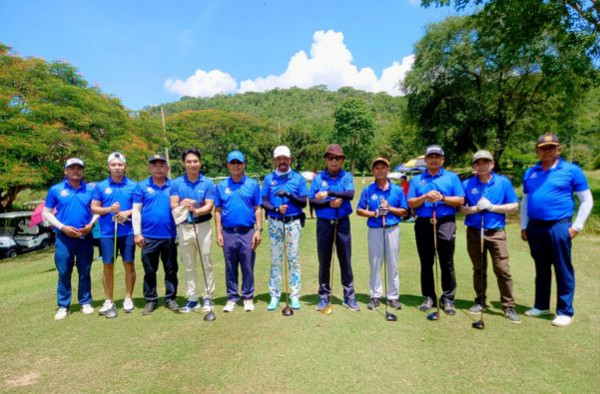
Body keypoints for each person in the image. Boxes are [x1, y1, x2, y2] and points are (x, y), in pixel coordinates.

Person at [521, 133, 594, 327]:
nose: (547, 151)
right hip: (535, 226)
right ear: (537, 151)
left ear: (558, 149)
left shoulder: (571, 170)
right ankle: (541, 305)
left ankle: (564, 311)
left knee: (563, 268)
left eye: (551, 147)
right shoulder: (530, 172)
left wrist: (577, 226)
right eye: (543, 148)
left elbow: (586, 200)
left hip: (559, 225)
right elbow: (526, 201)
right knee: (541, 267)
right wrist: (523, 225)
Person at [460, 150, 520, 323]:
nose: (481, 165)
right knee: (479, 269)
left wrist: (493, 208)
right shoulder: (467, 184)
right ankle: (480, 301)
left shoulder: (503, 183)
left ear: (492, 164)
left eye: (485, 162)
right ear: (474, 166)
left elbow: (514, 205)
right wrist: (475, 209)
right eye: (478, 163)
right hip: (474, 231)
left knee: (502, 269)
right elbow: (461, 208)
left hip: (496, 232)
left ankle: (508, 306)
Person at [407, 145, 464, 315]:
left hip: (445, 221)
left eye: (437, 157)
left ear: (442, 159)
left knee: (446, 261)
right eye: (430, 157)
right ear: (425, 160)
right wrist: (425, 196)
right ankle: (429, 296)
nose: (433, 159)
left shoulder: (451, 177)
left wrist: (443, 197)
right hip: (424, 222)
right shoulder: (417, 180)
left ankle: (448, 298)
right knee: (426, 261)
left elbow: (460, 199)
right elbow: (411, 203)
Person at [43, 158, 98, 320]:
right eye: (72, 168)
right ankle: (63, 305)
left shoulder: (90, 190)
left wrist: (91, 224)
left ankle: (85, 302)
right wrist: (62, 227)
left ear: (83, 171)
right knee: (64, 271)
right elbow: (46, 212)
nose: (76, 171)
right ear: (65, 171)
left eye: (79, 168)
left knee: (85, 270)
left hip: (85, 236)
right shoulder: (56, 190)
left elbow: (96, 210)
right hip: (64, 238)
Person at [309, 144, 359, 311]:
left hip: (342, 222)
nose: (334, 161)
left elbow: (350, 194)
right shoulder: (318, 178)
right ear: (326, 159)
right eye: (331, 158)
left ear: (342, 160)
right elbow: (313, 200)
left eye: (338, 158)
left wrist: (329, 193)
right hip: (324, 223)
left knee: (345, 260)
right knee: (324, 260)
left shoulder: (346, 176)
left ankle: (349, 296)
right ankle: (323, 296)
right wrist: (329, 202)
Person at [261, 145, 308, 311]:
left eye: (285, 158)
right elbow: (264, 201)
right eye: (279, 158)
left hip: (293, 222)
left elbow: (303, 202)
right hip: (275, 222)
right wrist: (275, 209)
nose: (282, 161)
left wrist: (289, 195)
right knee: (276, 259)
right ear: (274, 161)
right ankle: (274, 295)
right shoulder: (269, 179)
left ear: (290, 160)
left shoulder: (298, 178)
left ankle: (294, 295)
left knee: (293, 258)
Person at [356, 157, 408, 310]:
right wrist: (375, 213)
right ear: (373, 171)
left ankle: (392, 296)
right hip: (375, 229)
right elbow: (359, 210)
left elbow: (404, 211)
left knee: (392, 263)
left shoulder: (397, 190)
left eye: (383, 167)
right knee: (375, 263)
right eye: (376, 168)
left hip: (392, 229)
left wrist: (389, 208)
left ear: (388, 170)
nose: (380, 170)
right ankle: (375, 295)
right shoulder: (368, 190)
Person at [214, 150, 262, 313]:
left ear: (243, 165)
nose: (236, 166)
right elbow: (218, 211)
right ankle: (232, 297)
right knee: (230, 266)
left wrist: (258, 230)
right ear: (228, 165)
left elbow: (257, 208)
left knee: (248, 265)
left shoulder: (252, 184)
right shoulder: (221, 186)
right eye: (232, 163)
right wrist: (219, 233)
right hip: (228, 232)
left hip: (247, 231)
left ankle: (248, 297)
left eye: (239, 163)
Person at [170, 148, 216, 314]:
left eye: (195, 161)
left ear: (200, 162)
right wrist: (184, 204)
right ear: (184, 163)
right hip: (184, 228)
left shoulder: (208, 183)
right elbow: (173, 204)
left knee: (206, 262)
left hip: (203, 226)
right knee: (189, 265)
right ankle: (192, 299)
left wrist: (196, 210)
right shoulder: (176, 183)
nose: (192, 164)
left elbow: (209, 205)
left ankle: (208, 297)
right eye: (189, 161)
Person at [91, 152, 137, 318]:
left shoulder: (133, 185)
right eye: (113, 165)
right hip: (107, 233)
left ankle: (128, 298)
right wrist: (109, 210)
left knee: (129, 264)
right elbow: (94, 208)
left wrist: (126, 213)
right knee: (108, 266)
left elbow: (139, 207)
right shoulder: (101, 186)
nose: (117, 168)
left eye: (120, 165)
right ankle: (109, 300)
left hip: (128, 231)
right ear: (108, 166)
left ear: (125, 166)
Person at [132, 154, 179, 315]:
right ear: (149, 168)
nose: (158, 167)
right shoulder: (142, 186)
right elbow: (136, 211)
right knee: (150, 270)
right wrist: (137, 233)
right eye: (154, 164)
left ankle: (170, 298)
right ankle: (151, 299)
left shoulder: (174, 186)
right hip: (148, 236)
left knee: (171, 269)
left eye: (161, 164)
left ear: (167, 167)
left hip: (170, 235)